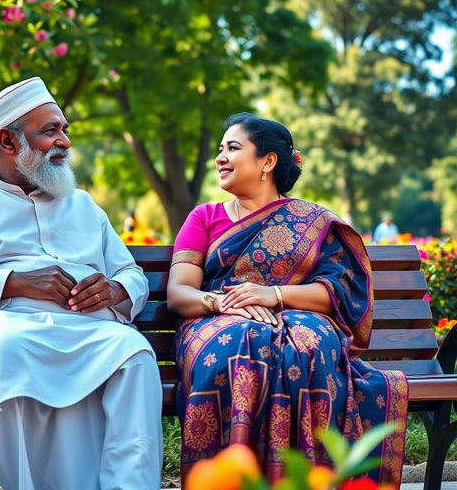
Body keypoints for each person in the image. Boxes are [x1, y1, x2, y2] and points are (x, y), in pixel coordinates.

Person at [0, 77, 163, 490]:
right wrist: (13, 283)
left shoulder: (82, 205)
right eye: (50, 131)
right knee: (12, 350)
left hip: (89, 329)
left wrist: (116, 291)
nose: (64, 141)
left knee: (133, 352)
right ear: (8, 141)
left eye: (64, 130)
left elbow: (130, 273)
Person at [167, 112, 408, 486]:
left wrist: (274, 294)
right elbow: (179, 294)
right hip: (216, 320)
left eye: (232, 148)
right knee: (239, 344)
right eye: (220, 149)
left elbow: (338, 291)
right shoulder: (204, 217)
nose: (220, 158)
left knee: (308, 344)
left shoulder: (313, 220)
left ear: (268, 161)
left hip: (297, 316)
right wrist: (223, 304)